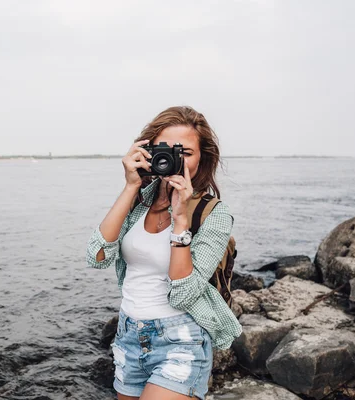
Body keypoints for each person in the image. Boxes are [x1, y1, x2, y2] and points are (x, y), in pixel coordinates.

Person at [86, 106, 242, 400]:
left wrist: (181, 221)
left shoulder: (214, 214)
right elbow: (96, 256)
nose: (173, 158)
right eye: (164, 149)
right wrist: (131, 186)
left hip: (182, 339)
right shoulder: (139, 202)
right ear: (148, 151)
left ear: (202, 158)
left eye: (184, 151)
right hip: (129, 335)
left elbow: (183, 294)